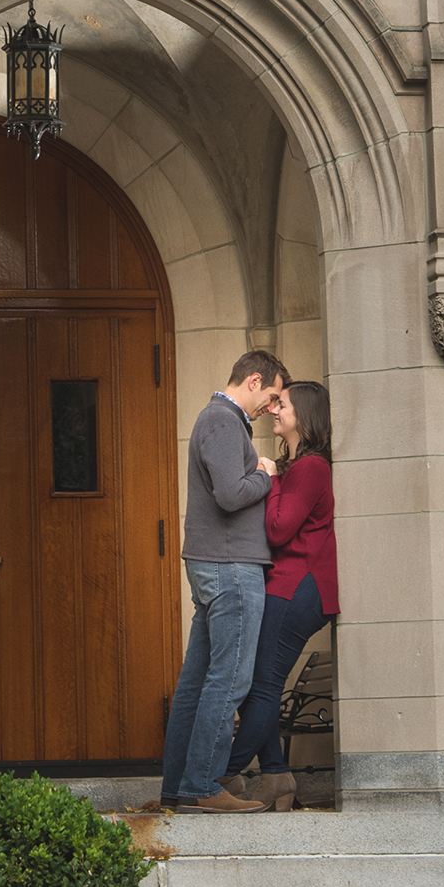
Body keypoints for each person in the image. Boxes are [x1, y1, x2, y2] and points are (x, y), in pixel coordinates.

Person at [160, 349, 290, 814]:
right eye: (272, 396)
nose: (272, 408)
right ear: (253, 380)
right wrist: (265, 474)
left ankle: (178, 790)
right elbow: (232, 495)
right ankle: (201, 785)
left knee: (197, 682)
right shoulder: (220, 419)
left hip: (217, 564)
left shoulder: (224, 421)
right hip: (229, 566)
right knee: (230, 679)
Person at [220, 379, 339, 812]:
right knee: (260, 684)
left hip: (297, 587)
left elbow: (277, 529)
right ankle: (274, 775)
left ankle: (215, 776)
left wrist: (269, 479)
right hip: (289, 585)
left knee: (264, 684)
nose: (274, 409)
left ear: (304, 417)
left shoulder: (310, 468)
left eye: (282, 404)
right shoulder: (303, 466)